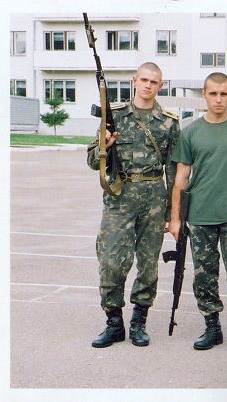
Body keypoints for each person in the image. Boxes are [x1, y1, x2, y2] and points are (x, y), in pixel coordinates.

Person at [168, 72, 227, 360]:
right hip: (200, 216)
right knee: (204, 277)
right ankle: (212, 327)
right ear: (204, 95)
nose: (218, 99)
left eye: (224, 94)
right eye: (213, 94)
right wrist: (176, 218)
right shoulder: (191, 132)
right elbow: (181, 177)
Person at [88, 62, 180, 348]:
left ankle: (139, 322)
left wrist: (172, 213)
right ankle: (114, 322)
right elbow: (92, 161)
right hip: (120, 196)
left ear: (160, 86)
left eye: (154, 82)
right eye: (144, 80)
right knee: (111, 260)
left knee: (148, 264)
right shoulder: (113, 116)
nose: (148, 85)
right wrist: (104, 145)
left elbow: (173, 171)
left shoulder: (169, 122)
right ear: (134, 80)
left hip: (154, 198)